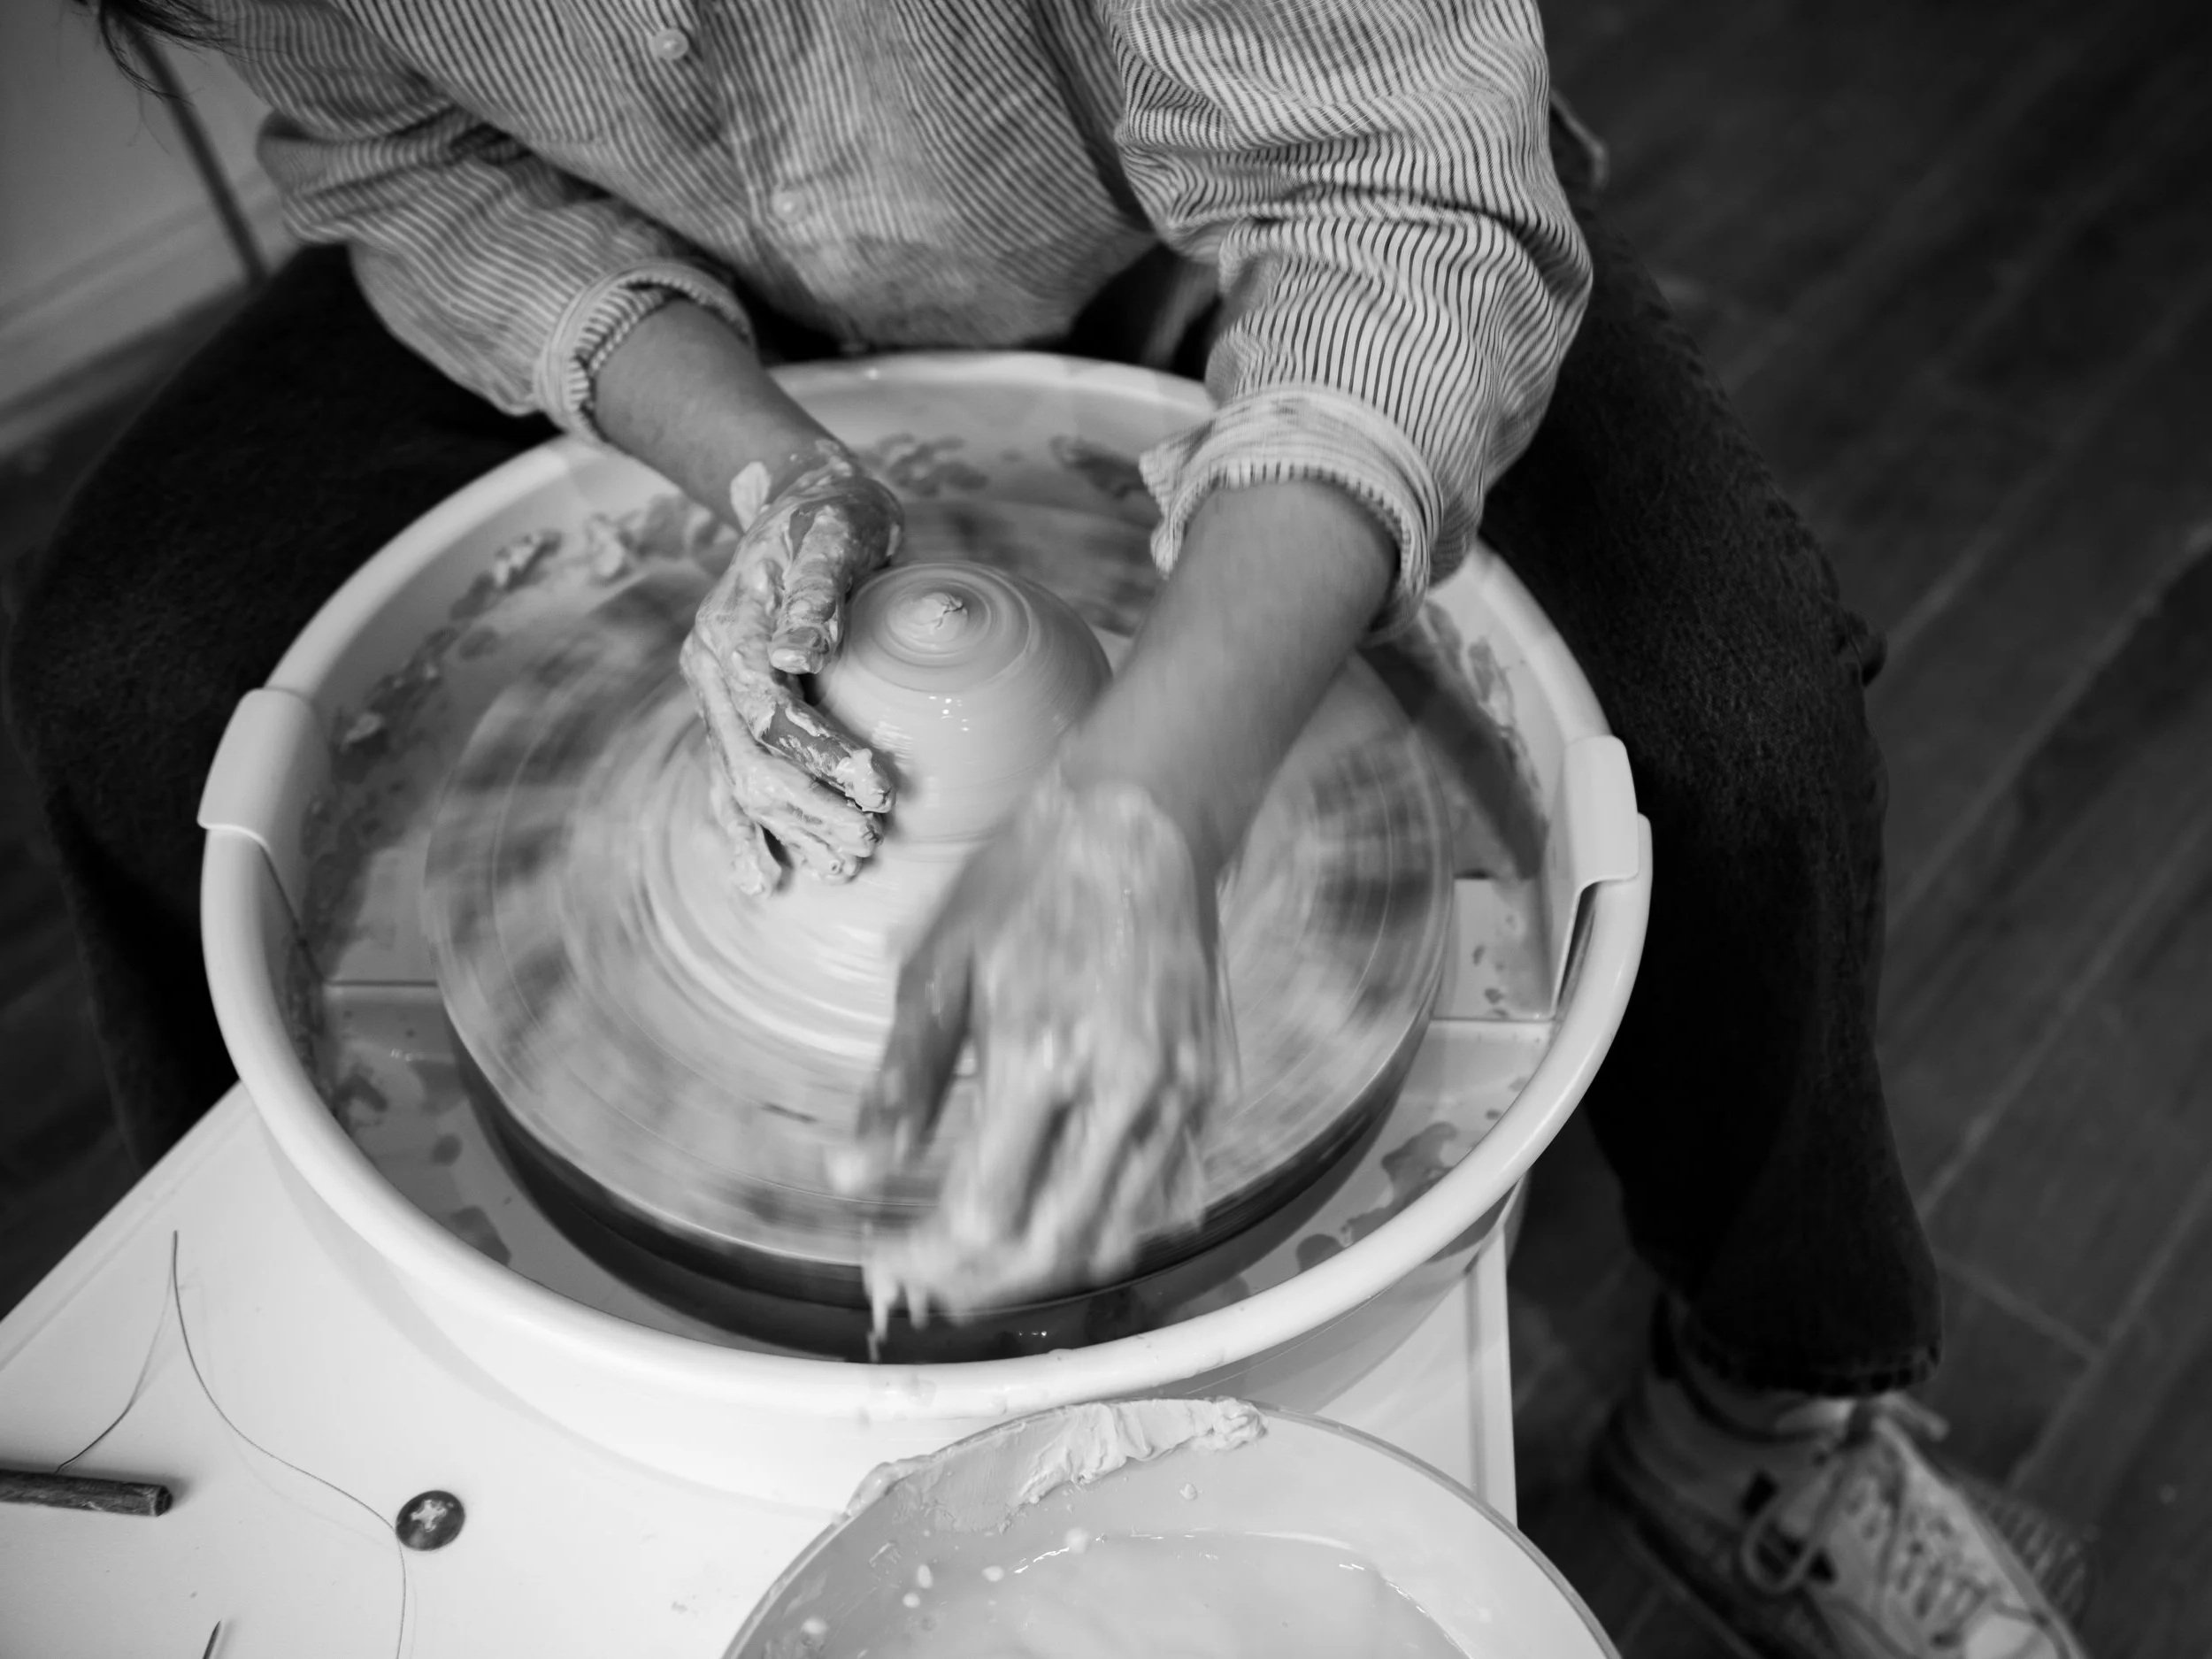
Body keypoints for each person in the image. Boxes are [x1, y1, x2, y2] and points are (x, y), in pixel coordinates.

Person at [8, 2, 2089, 1654]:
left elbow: (1394, 191)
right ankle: (348, 1319)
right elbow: (406, 157)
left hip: (1207, 239)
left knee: (1730, 701)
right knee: (135, 665)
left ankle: (1766, 1403)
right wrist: (759, 470)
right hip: (661, 297)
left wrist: (1148, 793)